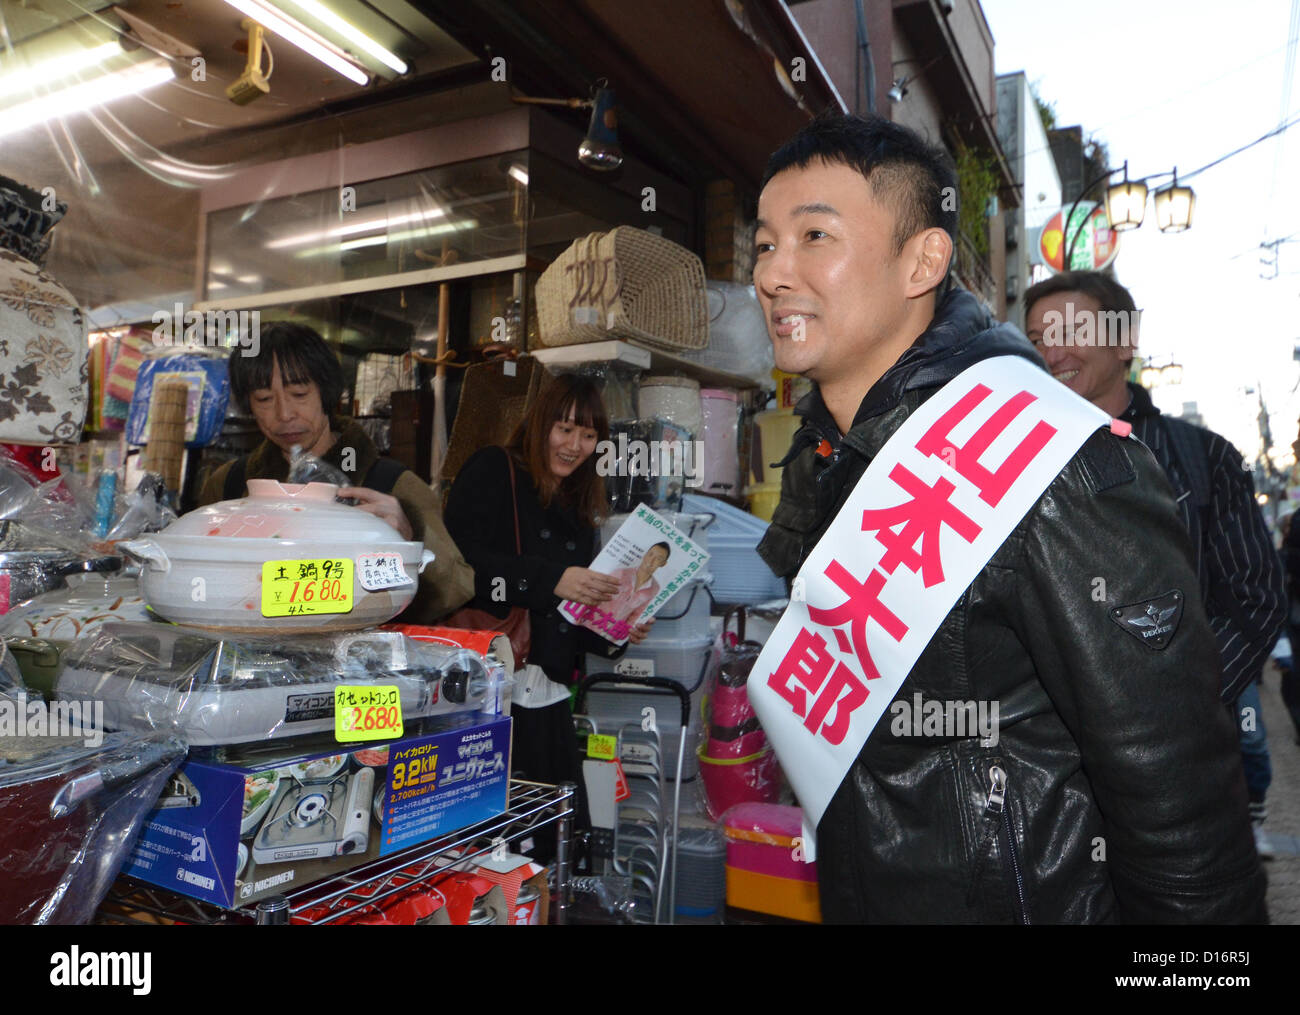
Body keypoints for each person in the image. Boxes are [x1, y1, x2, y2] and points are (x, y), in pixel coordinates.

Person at [753, 111, 1264, 923]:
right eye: (764, 244)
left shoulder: (1053, 462)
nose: (776, 272)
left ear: (923, 259)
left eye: (815, 236)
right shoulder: (824, 456)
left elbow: (1180, 807)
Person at [1024, 270, 1286, 858]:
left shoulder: (1204, 457)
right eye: (1037, 337)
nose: (1052, 351)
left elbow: (1254, 598)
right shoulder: (1010, 470)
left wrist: (1177, 701)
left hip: (1182, 767)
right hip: (1052, 778)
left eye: (1071, 329)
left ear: (1124, 342)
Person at [443, 374, 653, 802]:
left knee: (551, 830)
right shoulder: (494, 468)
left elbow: (572, 617)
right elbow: (459, 569)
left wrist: (618, 628)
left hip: (549, 696)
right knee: (487, 832)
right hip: (486, 691)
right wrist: (552, 580)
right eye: (565, 429)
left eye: (588, 435)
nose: (574, 445)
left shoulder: (579, 509)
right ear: (540, 424)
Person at [197, 322, 475, 623]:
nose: (284, 414)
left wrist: (410, 543)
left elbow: (455, 590)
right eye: (264, 399)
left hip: (357, 664)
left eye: (300, 393)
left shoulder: (391, 486)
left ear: (327, 393)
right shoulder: (227, 486)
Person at [605, 542, 671, 624]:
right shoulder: (621, 573)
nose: (651, 561)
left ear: (663, 564)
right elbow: (598, 594)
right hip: (593, 622)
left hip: (614, 632)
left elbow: (636, 615)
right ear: (645, 555)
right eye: (650, 555)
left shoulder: (655, 588)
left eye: (658, 559)